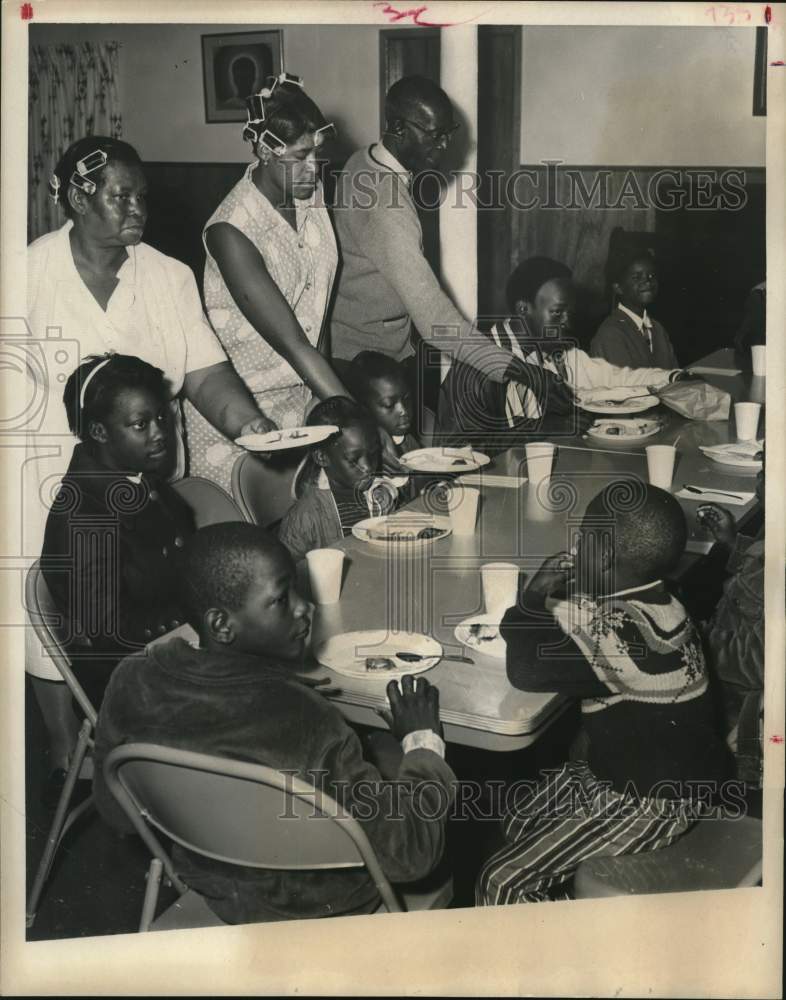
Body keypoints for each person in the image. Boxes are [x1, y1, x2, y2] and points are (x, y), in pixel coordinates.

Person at [27, 135, 271, 799]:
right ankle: (67, 748)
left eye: (142, 195)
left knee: (168, 598)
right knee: (57, 621)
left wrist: (253, 426)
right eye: (120, 195)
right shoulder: (25, 276)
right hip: (54, 481)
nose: (138, 208)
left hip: (151, 486)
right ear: (78, 197)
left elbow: (205, 372)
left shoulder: (168, 276)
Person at [92, 523, 456, 924]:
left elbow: (118, 812)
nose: (306, 607)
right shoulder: (309, 721)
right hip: (325, 911)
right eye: (282, 599)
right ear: (221, 625)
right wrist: (422, 742)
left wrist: (277, 682)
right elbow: (411, 855)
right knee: (403, 762)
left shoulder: (131, 680)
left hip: (216, 890)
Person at [477, 482, 730, 905]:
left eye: (583, 540)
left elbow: (525, 670)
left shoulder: (618, 634)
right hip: (635, 769)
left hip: (650, 800)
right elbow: (603, 627)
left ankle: (564, 954)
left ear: (606, 556)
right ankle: (563, 901)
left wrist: (533, 599)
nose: (574, 548)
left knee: (500, 880)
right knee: (520, 820)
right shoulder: (665, 600)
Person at [329, 76, 566, 417]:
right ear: (397, 127)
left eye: (448, 133)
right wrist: (523, 371)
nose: (443, 146)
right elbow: (434, 318)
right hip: (368, 370)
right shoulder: (387, 204)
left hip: (357, 353)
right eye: (433, 135)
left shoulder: (361, 161)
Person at [184, 73, 350, 493]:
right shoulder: (231, 230)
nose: (313, 169)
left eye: (317, 154)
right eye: (299, 157)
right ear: (264, 150)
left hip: (305, 399)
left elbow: (318, 309)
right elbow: (293, 341)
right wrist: (351, 417)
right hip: (240, 414)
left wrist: (325, 403)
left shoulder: (310, 192)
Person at [40, 354, 194, 711]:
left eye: (160, 417)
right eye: (141, 424)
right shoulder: (86, 518)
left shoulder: (135, 477)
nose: (160, 433)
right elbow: (110, 635)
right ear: (99, 431)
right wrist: (197, 613)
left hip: (170, 652)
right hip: (129, 686)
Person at [437, 258, 684, 452]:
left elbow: (613, 377)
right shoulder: (476, 368)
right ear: (524, 309)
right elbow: (461, 452)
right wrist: (541, 428)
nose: (567, 323)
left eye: (570, 313)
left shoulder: (554, 351)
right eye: (557, 313)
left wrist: (672, 378)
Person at [697, 449, 765, 789]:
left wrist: (693, 639)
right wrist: (735, 544)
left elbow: (760, 662)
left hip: (742, 716)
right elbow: (764, 575)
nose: (760, 480)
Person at [279, 397, 400, 563]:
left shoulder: (380, 494)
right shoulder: (304, 519)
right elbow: (288, 576)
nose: (367, 467)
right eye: (353, 459)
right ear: (322, 457)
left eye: (372, 454)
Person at [590, 250, 679, 369]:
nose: (647, 281)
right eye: (637, 277)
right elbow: (626, 385)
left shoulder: (657, 329)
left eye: (651, 275)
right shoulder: (611, 334)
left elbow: (675, 374)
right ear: (618, 287)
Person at [340, 351, 421, 475]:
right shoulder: (363, 458)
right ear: (364, 408)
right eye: (389, 405)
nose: (403, 411)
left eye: (407, 399)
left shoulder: (409, 442)